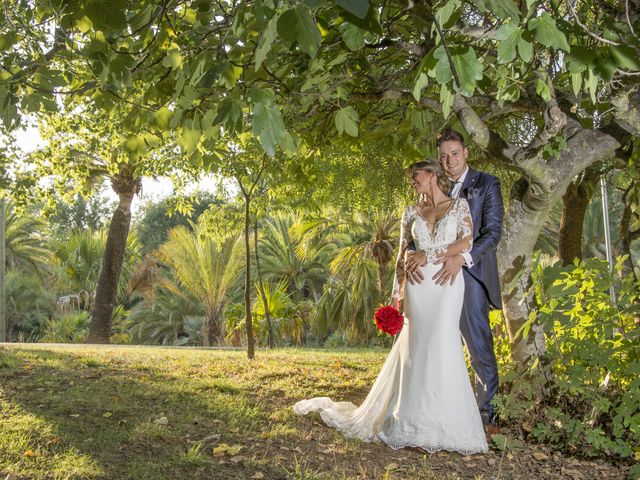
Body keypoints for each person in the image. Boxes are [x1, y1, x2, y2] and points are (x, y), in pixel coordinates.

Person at [293, 159, 488, 454]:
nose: (412, 181)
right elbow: (401, 255)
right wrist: (395, 296)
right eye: (410, 178)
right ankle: (409, 422)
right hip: (417, 287)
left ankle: (447, 423)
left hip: (447, 283)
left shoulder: (459, 206)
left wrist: (428, 253)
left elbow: (467, 242)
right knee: (418, 347)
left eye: (416, 176)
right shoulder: (410, 212)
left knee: (444, 343)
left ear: (433, 175)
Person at [404, 128, 504, 436]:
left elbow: (492, 233)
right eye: (444, 156)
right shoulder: (422, 198)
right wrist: (411, 256)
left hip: (468, 275)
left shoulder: (486, 184)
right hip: (428, 283)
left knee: (478, 346)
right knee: (433, 346)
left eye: (455, 154)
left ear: (466, 153)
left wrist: (463, 259)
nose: (450, 161)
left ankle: (487, 418)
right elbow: (413, 237)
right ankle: (435, 412)